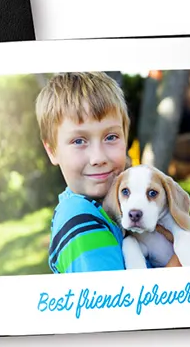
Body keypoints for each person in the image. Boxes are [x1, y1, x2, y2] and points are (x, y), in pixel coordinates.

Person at [35, 72, 180, 273]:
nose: (98, 157)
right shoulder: (79, 220)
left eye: (111, 137)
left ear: (125, 136)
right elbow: (115, 302)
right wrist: (181, 262)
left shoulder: (118, 206)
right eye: (79, 141)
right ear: (52, 150)